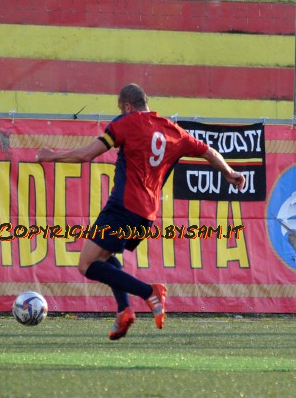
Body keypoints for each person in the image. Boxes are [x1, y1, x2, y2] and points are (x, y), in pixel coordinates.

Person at [36, 83, 246, 340]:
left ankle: (149, 292)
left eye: (120, 109)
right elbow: (209, 152)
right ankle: (124, 310)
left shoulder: (127, 122)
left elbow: (87, 155)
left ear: (127, 106)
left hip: (122, 206)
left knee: (86, 265)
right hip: (145, 216)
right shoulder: (173, 131)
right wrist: (229, 172)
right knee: (104, 257)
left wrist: (51, 156)